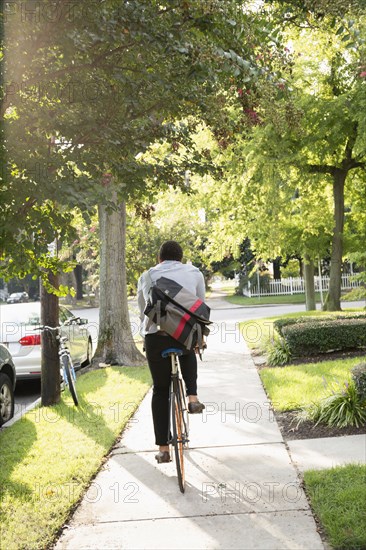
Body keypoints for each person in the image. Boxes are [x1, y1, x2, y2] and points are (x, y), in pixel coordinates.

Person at [137, 240, 206, 464]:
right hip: (184, 334)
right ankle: (192, 397)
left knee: (160, 389)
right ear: (181, 257)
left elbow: (142, 311)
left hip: (155, 335)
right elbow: (199, 307)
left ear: (159, 259)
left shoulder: (146, 276)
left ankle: (163, 449)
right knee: (189, 345)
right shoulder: (194, 273)